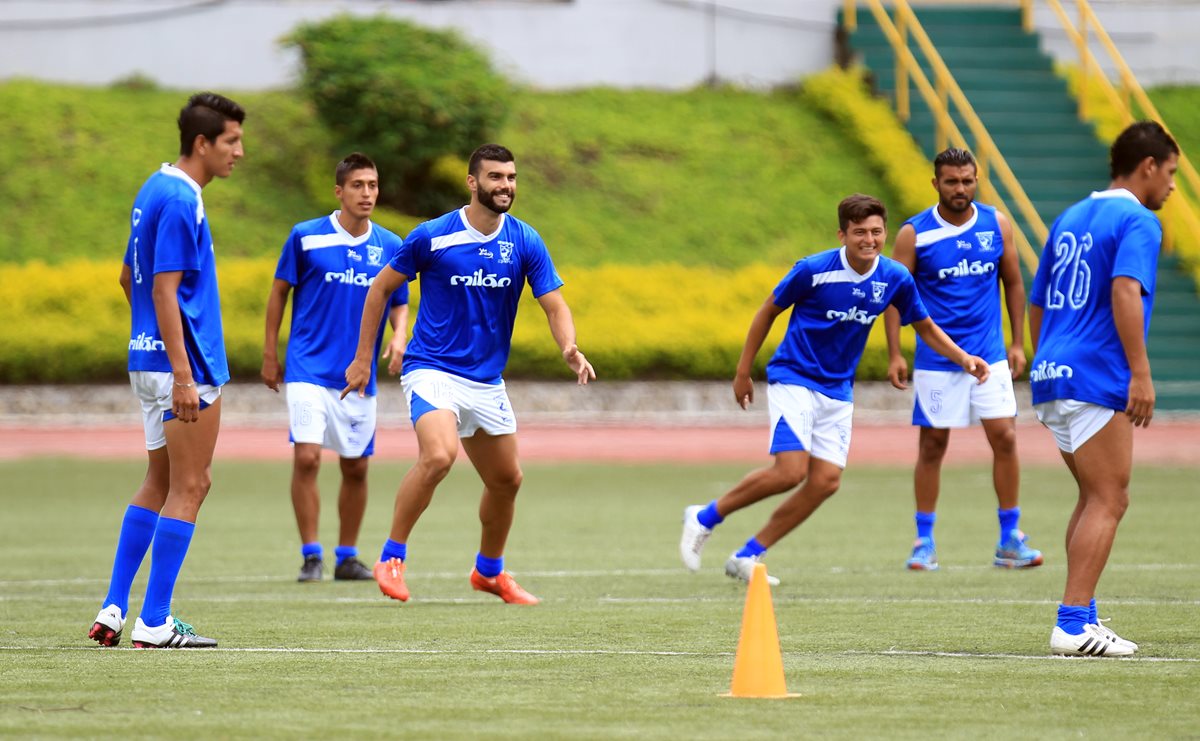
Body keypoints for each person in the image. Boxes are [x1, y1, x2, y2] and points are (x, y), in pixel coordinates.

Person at [679, 194, 989, 583]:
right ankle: (705, 516)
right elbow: (767, 312)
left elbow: (924, 327)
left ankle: (748, 555)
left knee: (825, 481)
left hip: (838, 390)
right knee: (791, 472)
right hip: (794, 377)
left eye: (876, 232)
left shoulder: (894, 277)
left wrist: (964, 358)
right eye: (860, 232)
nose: (869, 239)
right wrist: (743, 372)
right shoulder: (812, 270)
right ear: (842, 234)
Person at [343, 143, 595, 605]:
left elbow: (554, 303)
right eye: (496, 177)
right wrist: (363, 358)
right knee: (440, 456)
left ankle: (489, 572)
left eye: (512, 178)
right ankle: (391, 557)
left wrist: (569, 347)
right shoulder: (432, 236)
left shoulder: (524, 240)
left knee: (507, 480)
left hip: (486, 381)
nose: (506, 186)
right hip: (432, 369)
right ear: (472, 182)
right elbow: (379, 290)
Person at [89, 92, 245, 649]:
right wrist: (183, 373)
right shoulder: (184, 200)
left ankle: (113, 606)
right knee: (192, 484)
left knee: (159, 481)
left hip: (145, 357)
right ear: (202, 143)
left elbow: (127, 277)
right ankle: (154, 621)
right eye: (231, 141)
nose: (239, 153)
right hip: (186, 367)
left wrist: (149, 343)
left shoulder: (153, 187)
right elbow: (161, 286)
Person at [1032, 121, 1178, 657]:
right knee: (1110, 498)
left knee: (1093, 495)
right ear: (1147, 166)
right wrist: (1139, 372)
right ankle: (1071, 624)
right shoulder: (1138, 219)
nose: (1172, 185)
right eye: (1170, 173)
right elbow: (1124, 290)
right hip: (1096, 372)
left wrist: (1044, 357)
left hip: (1055, 373)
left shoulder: (1071, 215)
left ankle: (1083, 615)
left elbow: (1038, 298)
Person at [883, 148, 1042, 572]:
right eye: (951, 181)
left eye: (967, 180)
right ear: (935, 183)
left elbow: (1013, 283)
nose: (960, 188)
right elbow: (896, 297)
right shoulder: (914, 233)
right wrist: (896, 352)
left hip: (989, 356)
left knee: (1005, 438)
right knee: (933, 445)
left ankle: (1010, 538)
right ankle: (924, 541)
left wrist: (1017, 343)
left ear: (977, 180)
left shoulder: (996, 223)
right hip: (937, 361)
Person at [262, 153, 410, 583]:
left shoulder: (390, 245)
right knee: (307, 457)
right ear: (339, 191)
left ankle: (347, 556)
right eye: (359, 185)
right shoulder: (306, 237)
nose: (367, 194)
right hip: (307, 367)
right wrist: (271, 354)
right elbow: (278, 294)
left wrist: (399, 337)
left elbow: (399, 305)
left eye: (374, 185)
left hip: (358, 376)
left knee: (356, 465)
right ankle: (311, 555)